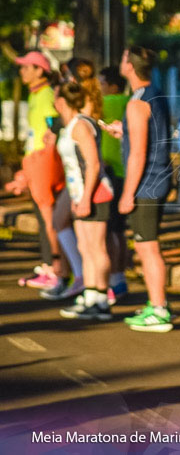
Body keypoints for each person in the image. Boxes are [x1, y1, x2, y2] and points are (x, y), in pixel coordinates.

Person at [106, 46, 174, 332]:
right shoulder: (151, 95)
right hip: (157, 178)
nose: (120, 62)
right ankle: (155, 304)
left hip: (147, 182)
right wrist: (125, 132)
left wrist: (127, 193)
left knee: (147, 246)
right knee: (147, 245)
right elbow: (147, 135)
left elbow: (138, 154)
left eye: (123, 58)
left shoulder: (137, 103)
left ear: (130, 67)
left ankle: (159, 309)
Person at [53, 82, 116, 320]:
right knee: (85, 247)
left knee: (96, 247)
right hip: (80, 193)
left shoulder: (80, 125)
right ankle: (90, 295)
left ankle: (101, 298)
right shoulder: (70, 126)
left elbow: (93, 164)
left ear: (62, 102)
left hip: (94, 193)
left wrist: (87, 198)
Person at [8, 51, 66, 291]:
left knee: (49, 218)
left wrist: (43, 161)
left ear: (40, 70)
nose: (22, 72)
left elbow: (57, 124)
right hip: (35, 161)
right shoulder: (34, 94)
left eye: (26, 67)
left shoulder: (46, 95)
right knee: (44, 220)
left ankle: (56, 270)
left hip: (45, 162)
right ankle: (48, 266)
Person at [99, 66, 130, 302]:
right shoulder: (130, 101)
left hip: (111, 172)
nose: (98, 89)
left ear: (112, 86)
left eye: (101, 83)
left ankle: (114, 280)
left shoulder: (109, 102)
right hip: (123, 172)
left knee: (109, 231)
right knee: (118, 231)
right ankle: (119, 279)